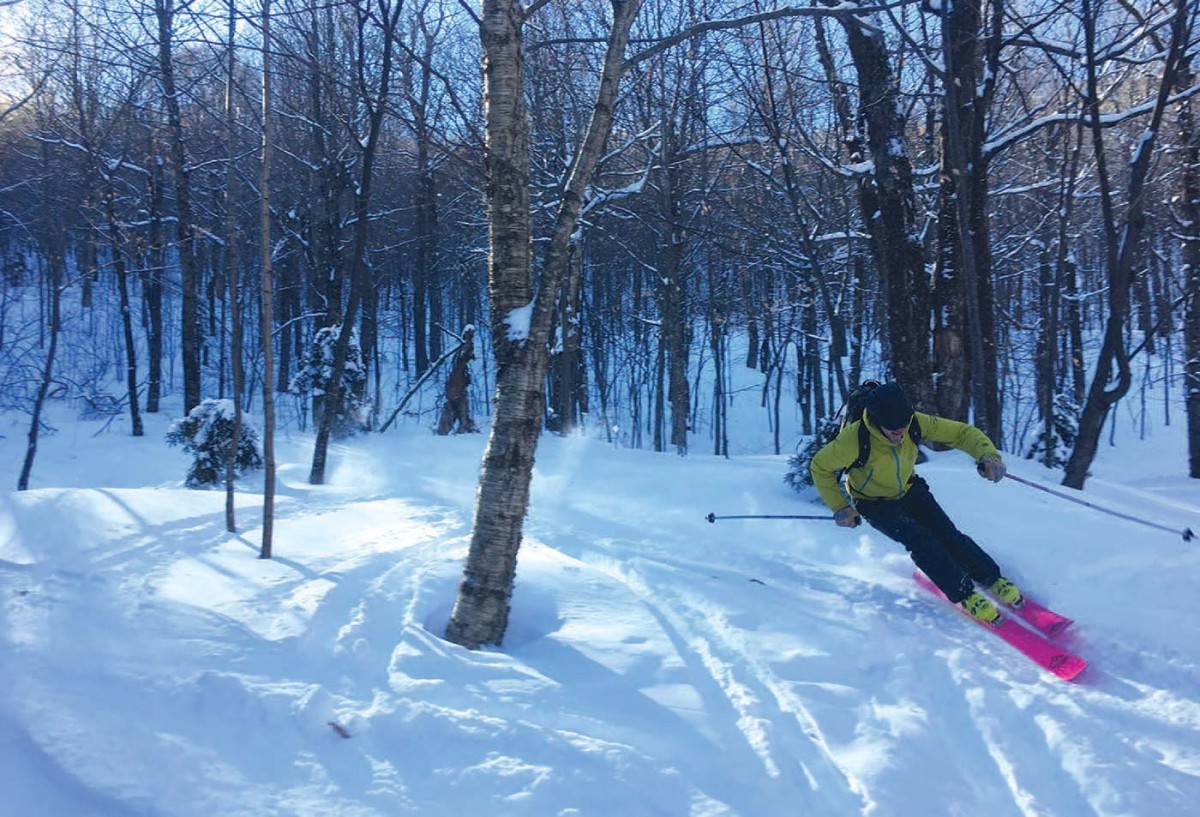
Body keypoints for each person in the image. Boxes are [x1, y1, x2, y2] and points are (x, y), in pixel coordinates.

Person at [809, 381, 1017, 624]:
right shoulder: (854, 439)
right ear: (876, 421)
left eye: (903, 427)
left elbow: (962, 433)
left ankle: (992, 578)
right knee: (922, 542)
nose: (900, 434)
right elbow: (819, 466)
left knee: (947, 533)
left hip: (909, 489)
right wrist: (841, 507)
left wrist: (988, 455)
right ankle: (964, 593)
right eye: (893, 430)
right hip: (873, 502)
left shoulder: (913, 422)